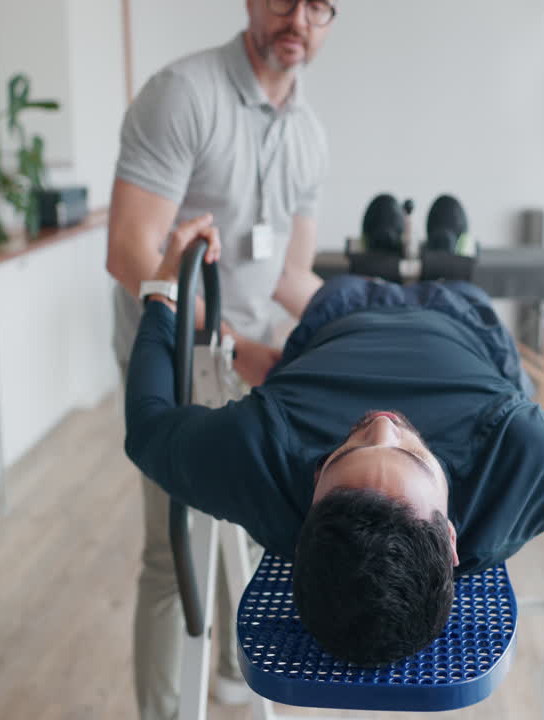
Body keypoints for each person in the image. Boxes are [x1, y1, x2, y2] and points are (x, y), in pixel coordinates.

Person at [126, 216, 544, 665]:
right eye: (413, 455)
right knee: (450, 234)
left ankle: (385, 238)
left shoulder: (258, 454)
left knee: (377, 235)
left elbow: (148, 427)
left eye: (348, 449)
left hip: (342, 311)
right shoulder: (525, 456)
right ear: (452, 539)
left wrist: (163, 288)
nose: (384, 422)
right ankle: (442, 242)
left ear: (308, 507)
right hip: (460, 315)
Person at [105, 1, 336, 716]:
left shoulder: (308, 135)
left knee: (256, 526)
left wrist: (366, 319)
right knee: (174, 550)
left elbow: (290, 277)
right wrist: (234, 345)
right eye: (284, 0)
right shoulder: (184, 95)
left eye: (319, 6)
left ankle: (238, 674)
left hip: (251, 357)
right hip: (173, 357)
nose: (299, 18)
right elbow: (133, 254)